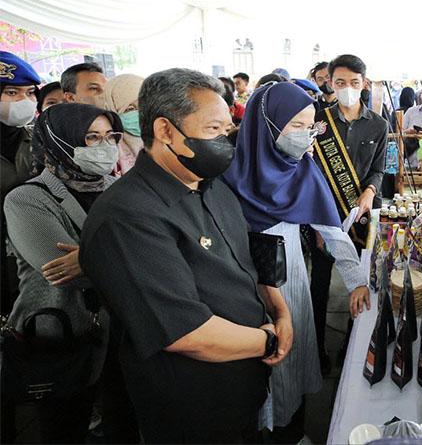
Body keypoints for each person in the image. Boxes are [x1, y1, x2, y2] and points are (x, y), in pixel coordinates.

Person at [79, 68, 292, 443]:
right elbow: (186, 332)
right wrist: (270, 341)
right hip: (193, 402)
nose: (225, 141)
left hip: (243, 384)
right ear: (165, 130)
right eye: (213, 130)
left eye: (227, 130)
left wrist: (280, 311)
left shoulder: (211, 185)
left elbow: (244, 258)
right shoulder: (128, 217)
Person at [223, 81, 369, 442]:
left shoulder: (304, 170)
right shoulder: (226, 173)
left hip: (288, 278)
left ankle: (290, 431)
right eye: (297, 126)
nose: (307, 136)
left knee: (289, 360)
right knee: (254, 363)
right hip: (240, 286)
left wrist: (357, 281)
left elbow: (333, 232)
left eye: (310, 126)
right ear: (267, 124)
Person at [4, 103, 121, 443]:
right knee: (64, 429)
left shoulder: (118, 188)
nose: (104, 147)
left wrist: (90, 258)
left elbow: (158, 250)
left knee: (122, 422)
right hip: (63, 335)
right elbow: (60, 270)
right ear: (60, 141)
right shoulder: (27, 198)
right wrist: (129, 257)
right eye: (91, 138)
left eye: (110, 137)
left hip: (121, 331)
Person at [311, 53, 388, 370]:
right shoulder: (318, 122)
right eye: (340, 82)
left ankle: (350, 347)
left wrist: (369, 192)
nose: (347, 88)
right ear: (330, 82)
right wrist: (317, 224)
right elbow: (310, 175)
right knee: (319, 286)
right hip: (322, 217)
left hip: (360, 218)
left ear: (364, 83)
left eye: (354, 82)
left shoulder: (379, 125)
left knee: (358, 282)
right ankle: (316, 350)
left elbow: (379, 170)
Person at [1, 51, 40, 315]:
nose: (24, 101)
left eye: (30, 93)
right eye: (12, 93)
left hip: (28, 248)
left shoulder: (37, 140)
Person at [102, 74, 145, 175]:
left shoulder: (167, 140)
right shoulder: (106, 151)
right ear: (112, 109)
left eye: (143, 106)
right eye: (130, 109)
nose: (138, 113)